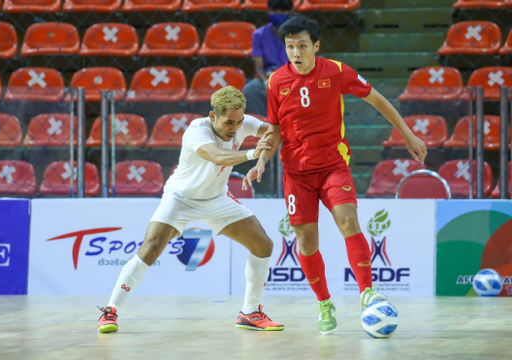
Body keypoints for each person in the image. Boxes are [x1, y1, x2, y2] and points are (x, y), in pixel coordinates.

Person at [243, 16, 428, 335]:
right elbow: (274, 128)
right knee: (306, 239)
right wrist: (261, 159)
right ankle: (324, 303)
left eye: (302, 46)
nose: (296, 53)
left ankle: (367, 292)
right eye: (290, 47)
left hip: (332, 165)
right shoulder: (275, 82)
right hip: (296, 173)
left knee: (348, 219)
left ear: (316, 46)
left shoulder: (337, 71)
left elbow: (377, 99)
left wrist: (408, 134)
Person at [98, 86, 284, 333]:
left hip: (217, 198)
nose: (235, 128)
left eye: (239, 122)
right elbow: (217, 156)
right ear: (212, 116)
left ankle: (250, 312)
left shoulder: (242, 123)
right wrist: (252, 153)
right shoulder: (197, 130)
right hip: (180, 199)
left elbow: (276, 130)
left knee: (263, 245)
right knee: (150, 248)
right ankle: (111, 311)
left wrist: (261, 161)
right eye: (229, 122)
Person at [242, 0, 292, 116]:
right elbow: (259, 68)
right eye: (275, 11)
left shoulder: (298, 33)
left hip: (293, 77)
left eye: (283, 11)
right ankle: (264, 124)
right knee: (250, 89)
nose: (279, 13)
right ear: (269, 12)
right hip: (269, 77)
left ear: (290, 12)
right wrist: (267, 84)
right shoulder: (259, 34)